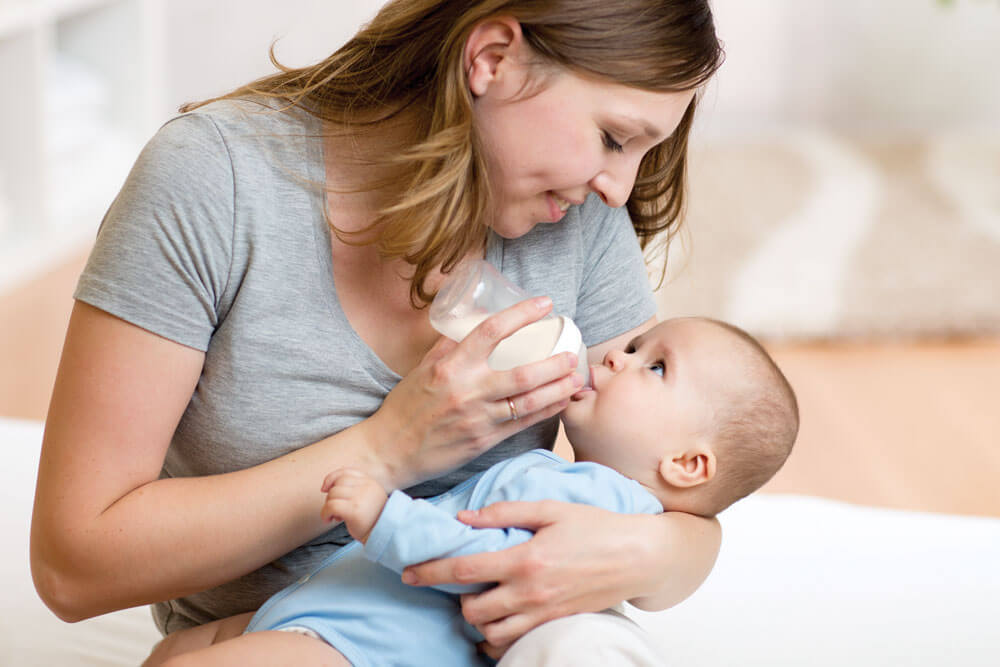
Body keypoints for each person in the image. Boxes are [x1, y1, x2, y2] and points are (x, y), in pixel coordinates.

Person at [30, 0, 726, 663]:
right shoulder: (216, 182)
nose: (620, 187)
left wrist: (640, 555)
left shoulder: (577, 224)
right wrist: (385, 449)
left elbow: (681, 499)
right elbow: (72, 566)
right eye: (613, 137)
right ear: (490, 58)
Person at [144, 316, 799, 666]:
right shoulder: (569, 479)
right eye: (634, 343)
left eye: (653, 365)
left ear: (687, 463)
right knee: (172, 650)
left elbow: (479, 559)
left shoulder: (600, 507)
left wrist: (383, 515)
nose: (615, 357)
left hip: (363, 650)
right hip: (326, 615)